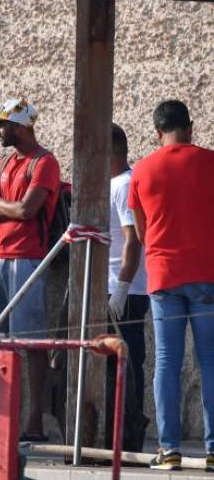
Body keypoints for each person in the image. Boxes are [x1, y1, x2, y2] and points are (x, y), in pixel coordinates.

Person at [127, 100, 214, 471]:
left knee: (166, 362)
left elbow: (141, 230)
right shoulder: (210, 162)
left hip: (163, 276)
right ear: (190, 127)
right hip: (207, 273)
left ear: (157, 132)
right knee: (210, 362)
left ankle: (170, 448)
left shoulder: (143, 171)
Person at [0, 98, 60, 441]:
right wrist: (1, 205)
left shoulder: (44, 162)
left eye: (4, 124)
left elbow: (28, 211)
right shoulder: (3, 163)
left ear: (21, 126)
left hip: (27, 257)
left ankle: (34, 419)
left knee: (31, 342)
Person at [106, 123, 149, 451]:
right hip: (110, 286)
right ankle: (113, 433)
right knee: (111, 365)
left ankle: (129, 435)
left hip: (126, 291)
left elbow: (133, 239)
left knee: (128, 363)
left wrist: (121, 288)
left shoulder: (123, 184)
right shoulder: (114, 183)